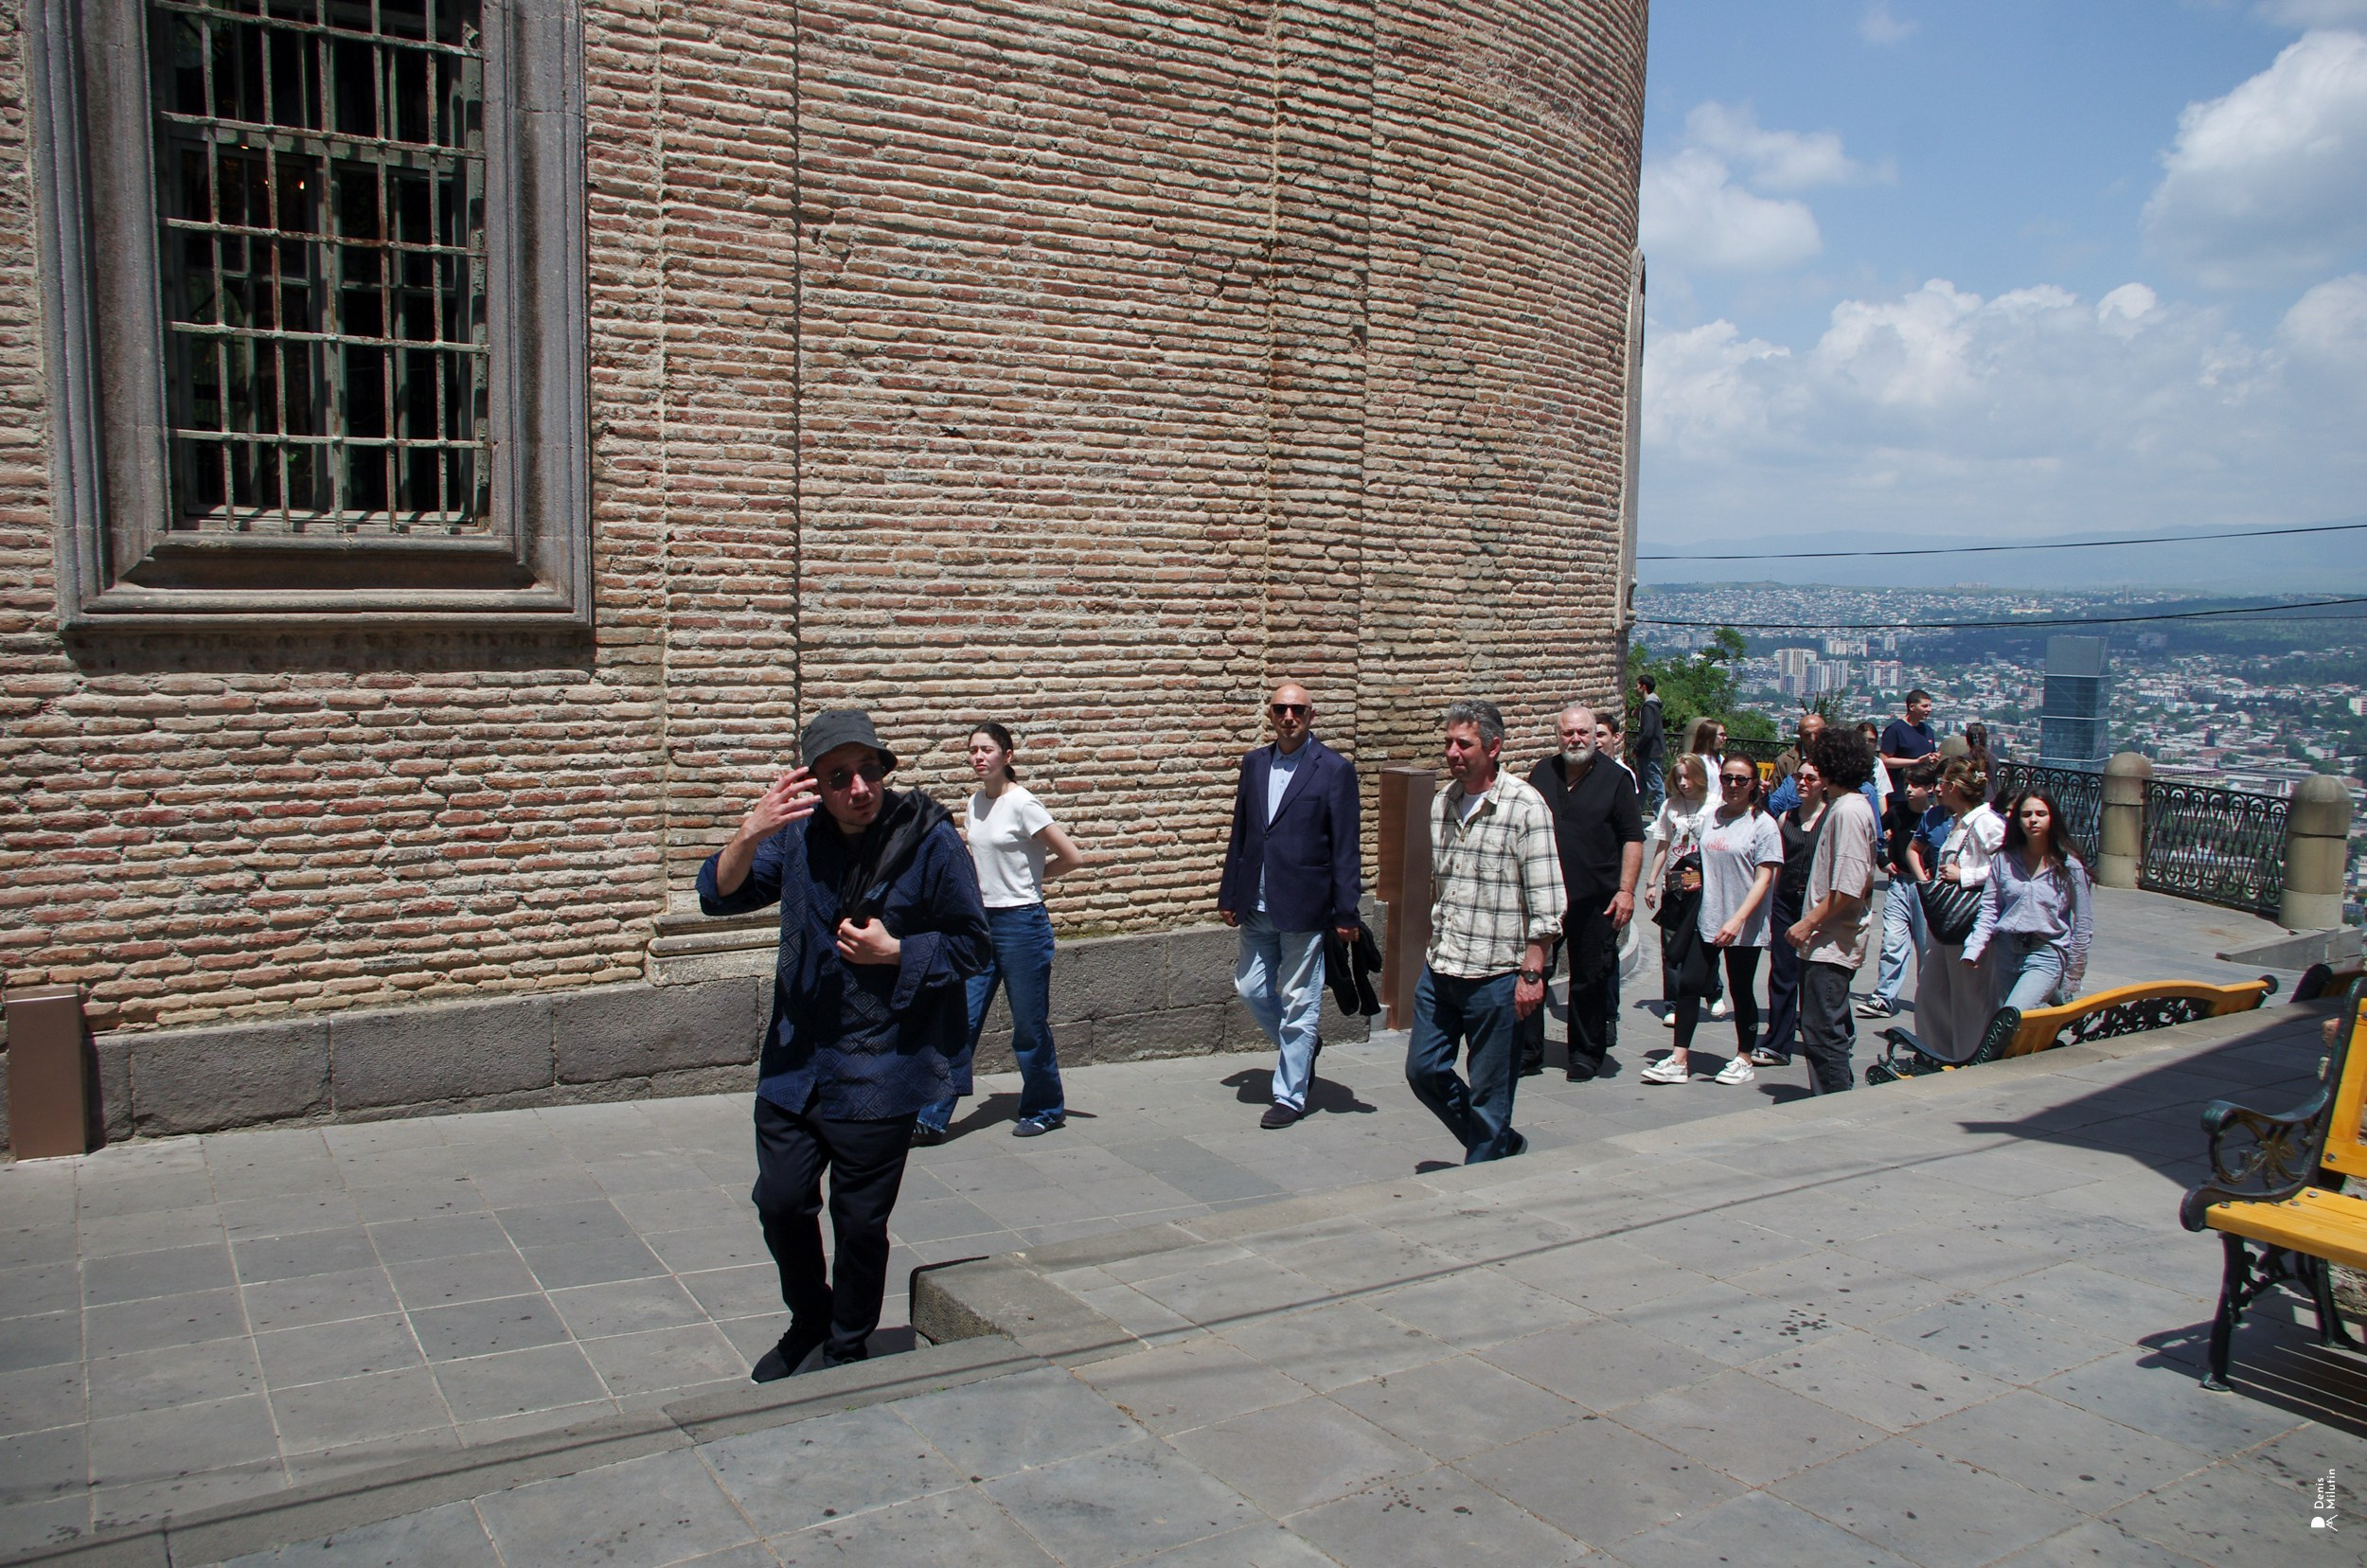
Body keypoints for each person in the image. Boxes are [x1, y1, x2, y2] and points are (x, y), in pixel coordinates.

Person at [698, 710, 991, 1381]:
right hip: (795, 1065)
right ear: (814, 786)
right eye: (838, 777)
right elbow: (719, 895)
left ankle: (849, 1343)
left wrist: (898, 952)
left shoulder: (931, 840)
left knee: (859, 1227)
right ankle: (810, 1318)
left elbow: (974, 946)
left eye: (868, 771)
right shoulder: (794, 837)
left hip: (882, 1067)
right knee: (780, 1202)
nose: (858, 787)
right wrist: (750, 831)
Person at [914, 724, 1089, 1145]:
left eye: (987, 749)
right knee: (962, 1020)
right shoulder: (974, 802)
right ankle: (932, 1117)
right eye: (972, 750)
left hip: (1022, 925)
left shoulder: (1024, 804)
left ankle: (1045, 1109)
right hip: (979, 925)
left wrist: (1032, 878)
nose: (978, 757)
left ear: (1007, 755)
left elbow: (1072, 857)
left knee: (1028, 1025)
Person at [1406, 701, 1565, 1164]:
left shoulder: (1525, 807)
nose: (1453, 753)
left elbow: (1547, 898)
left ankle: (1481, 1179)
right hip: (1443, 967)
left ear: (1494, 747)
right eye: (1449, 743)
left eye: (1464, 744)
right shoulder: (1443, 803)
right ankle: (1497, 1142)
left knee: (1491, 1091)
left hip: (1497, 975)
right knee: (1423, 1070)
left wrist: (1532, 974)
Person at [1218, 682, 1361, 1131]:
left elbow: (1345, 847)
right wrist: (1229, 892)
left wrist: (1345, 911)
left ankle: (1290, 1094)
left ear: (1311, 715)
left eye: (1297, 709)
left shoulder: (1334, 769)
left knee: (1300, 1000)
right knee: (1250, 988)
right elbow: (1242, 830)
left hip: (1305, 904)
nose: (1288, 716)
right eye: (1281, 708)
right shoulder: (1255, 762)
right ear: (1270, 713)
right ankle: (1303, 1046)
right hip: (1257, 901)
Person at [1522, 705, 1644, 1082]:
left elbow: (1633, 839)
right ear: (1557, 736)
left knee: (1590, 976)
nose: (1575, 739)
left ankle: (1585, 1053)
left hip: (1596, 899)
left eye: (1582, 733)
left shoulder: (1616, 780)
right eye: (1568, 733)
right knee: (1531, 970)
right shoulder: (1542, 772)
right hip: (1544, 896)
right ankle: (1528, 1051)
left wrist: (1626, 891)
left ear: (1596, 736)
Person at [1644, 757, 1782, 1085]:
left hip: (1742, 923)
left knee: (1741, 989)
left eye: (1741, 780)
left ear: (1753, 785)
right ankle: (1679, 1058)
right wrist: (1676, 883)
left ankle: (1744, 1057)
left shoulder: (1763, 825)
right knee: (1689, 984)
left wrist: (1738, 919)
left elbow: (1764, 879)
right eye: (1728, 778)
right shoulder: (1714, 818)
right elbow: (1703, 865)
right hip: (1707, 917)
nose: (1734, 785)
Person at [1785, 725, 1879, 1095]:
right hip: (1825, 941)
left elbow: (1849, 889)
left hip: (1832, 943)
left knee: (1823, 1031)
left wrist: (1808, 923)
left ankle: (1834, 1102)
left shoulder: (1849, 812)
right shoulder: (1845, 808)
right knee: (1820, 1027)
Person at [1964, 790, 2093, 1015]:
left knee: (2011, 1017)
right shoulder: (2004, 859)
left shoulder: (2069, 866)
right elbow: (1990, 908)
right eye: (2027, 814)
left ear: (2052, 818)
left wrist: (2073, 975)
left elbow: (2083, 923)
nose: (2033, 819)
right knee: (2003, 1022)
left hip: (2045, 951)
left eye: (2040, 813)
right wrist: (1975, 948)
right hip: (2005, 950)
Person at [1912, 759, 2006, 1062]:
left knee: (1969, 997)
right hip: (1948, 922)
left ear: (1954, 787)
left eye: (1943, 783)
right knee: (1931, 992)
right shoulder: (1961, 821)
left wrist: (1964, 876)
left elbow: (2006, 866)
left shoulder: (1987, 822)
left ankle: (1970, 1055)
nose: (1938, 789)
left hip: (1968, 920)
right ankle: (1937, 1052)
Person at [1752, 757, 1828, 1069]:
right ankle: (1778, 1043)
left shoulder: (1832, 819)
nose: (1803, 782)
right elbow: (1778, 864)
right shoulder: (1786, 819)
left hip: (1817, 904)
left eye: (1811, 778)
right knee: (1782, 973)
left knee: (1817, 975)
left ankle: (1830, 1035)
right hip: (1786, 901)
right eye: (1800, 777)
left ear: (1824, 783)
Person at [1859, 758, 1942, 1020]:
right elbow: (1874, 835)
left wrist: (1933, 872)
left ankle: (1929, 999)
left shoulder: (1937, 818)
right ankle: (1884, 997)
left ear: (1930, 788)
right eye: (1907, 784)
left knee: (1926, 946)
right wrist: (1883, 860)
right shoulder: (1897, 812)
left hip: (1925, 887)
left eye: (1915, 785)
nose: (1908, 789)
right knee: (1893, 942)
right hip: (1899, 884)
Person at [1638, 754, 1714, 1031]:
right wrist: (1651, 881)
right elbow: (1662, 845)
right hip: (1677, 881)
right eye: (1678, 777)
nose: (1683, 783)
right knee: (1671, 945)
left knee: (1703, 941)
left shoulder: (1714, 805)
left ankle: (1711, 987)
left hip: (1705, 882)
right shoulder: (1670, 806)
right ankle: (1672, 1003)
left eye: (1688, 776)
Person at [1879, 689, 1941, 797]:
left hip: (1924, 793)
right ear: (1912, 707)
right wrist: (1916, 761)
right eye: (1925, 706)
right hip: (1900, 793)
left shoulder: (1927, 730)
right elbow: (1885, 761)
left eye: (1930, 706)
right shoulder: (1895, 730)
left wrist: (1933, 758)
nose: (1929, 709)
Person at [1633, 675, 1666, 815]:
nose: (1635, 688)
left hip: (1649, 751)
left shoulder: (1648, 707)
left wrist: (1636, 748)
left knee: (1655, 785)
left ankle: (1660, 817)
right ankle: (1635, 813)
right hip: (1651, 750)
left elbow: (1648, 731)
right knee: (1642, 785)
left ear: (1643, 687)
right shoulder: (1651, 706)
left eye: (1637, 685)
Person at [1774, 712, 1825, 784]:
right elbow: (1775, 792)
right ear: (1800, 734)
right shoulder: (1785, 762)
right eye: (1807, 735)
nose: (1813, 739)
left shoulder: (1835, 758)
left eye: (1817, 733)